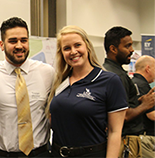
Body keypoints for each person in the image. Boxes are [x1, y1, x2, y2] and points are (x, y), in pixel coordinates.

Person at [48, 25, 127, 158]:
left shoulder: (109, 81)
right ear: (61, 53)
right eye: (67, 48)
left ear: (87, 47)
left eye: (77, 45)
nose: (73, 51)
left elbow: (114, 132)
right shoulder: (59, 82)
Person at [0, 17, 54, 158]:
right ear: (1, 45)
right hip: (3, 154)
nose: (19, 46)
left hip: (40, 153)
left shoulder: (47, 72)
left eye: (23, 40)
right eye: (13, 41)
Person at [103, 26, 155, 158]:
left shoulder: (115, 72)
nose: (132, 50)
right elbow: (122, 115)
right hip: (125, 140)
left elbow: (119, 105)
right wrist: (145, 106)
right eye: (127, 46)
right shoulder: (115, 76)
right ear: (113, 49)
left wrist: (139, 102)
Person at [131, 55, 155, 158]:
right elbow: (152, 115)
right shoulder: (142, 86)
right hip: (144, 138)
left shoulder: (132, 83)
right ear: (148, 68)